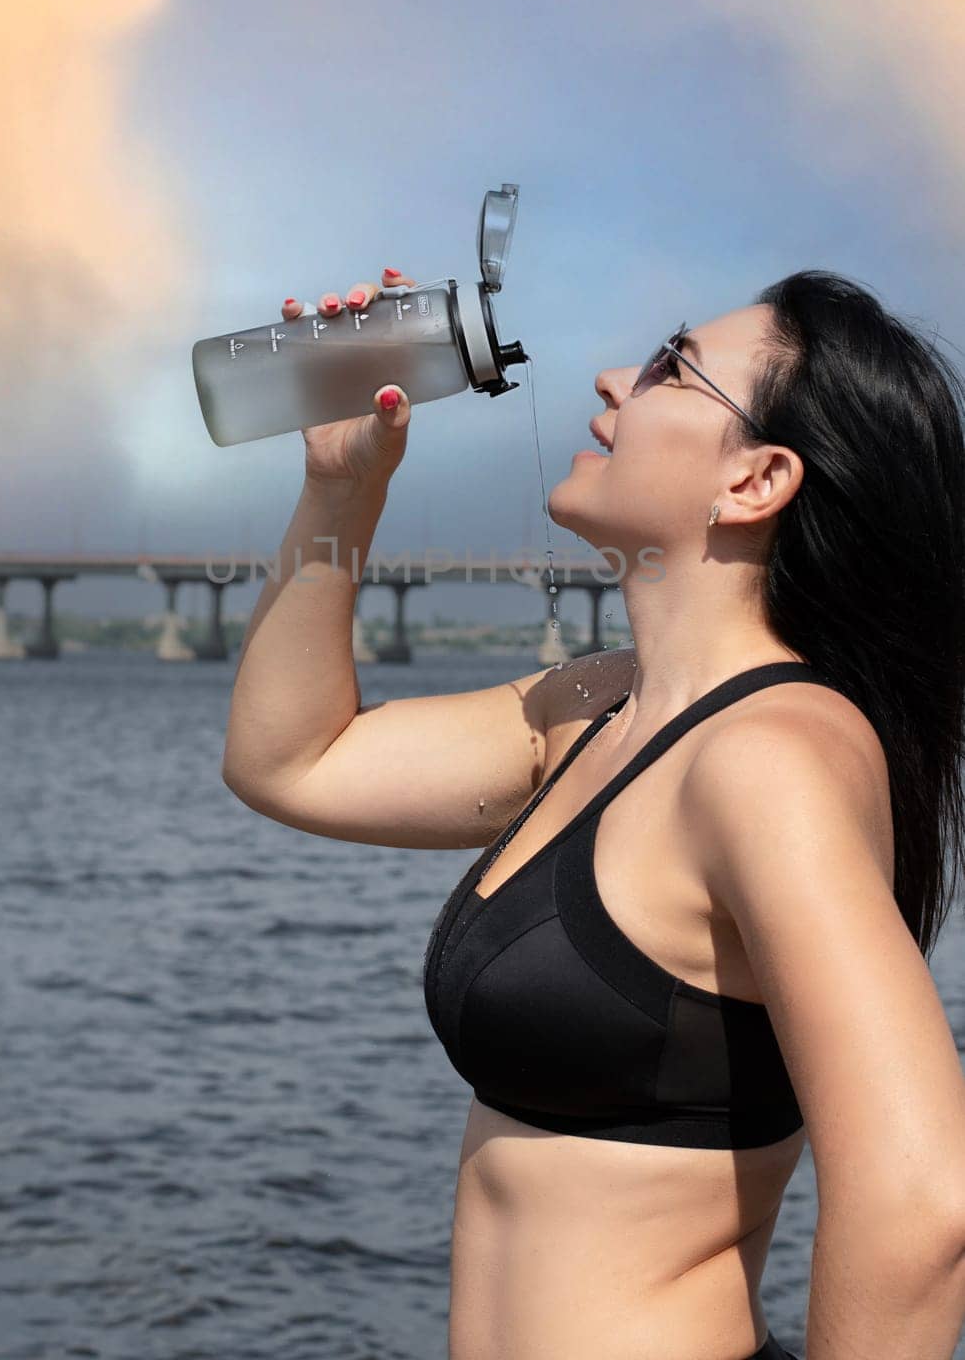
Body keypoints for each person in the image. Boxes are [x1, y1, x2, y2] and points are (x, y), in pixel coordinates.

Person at [221, 266, 965, 1359]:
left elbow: (921, 1201)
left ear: (754, 479)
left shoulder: (767, 756)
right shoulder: (594, 706)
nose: (615, 379)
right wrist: (342, 492)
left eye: (670, 367)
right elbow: (290, 761)